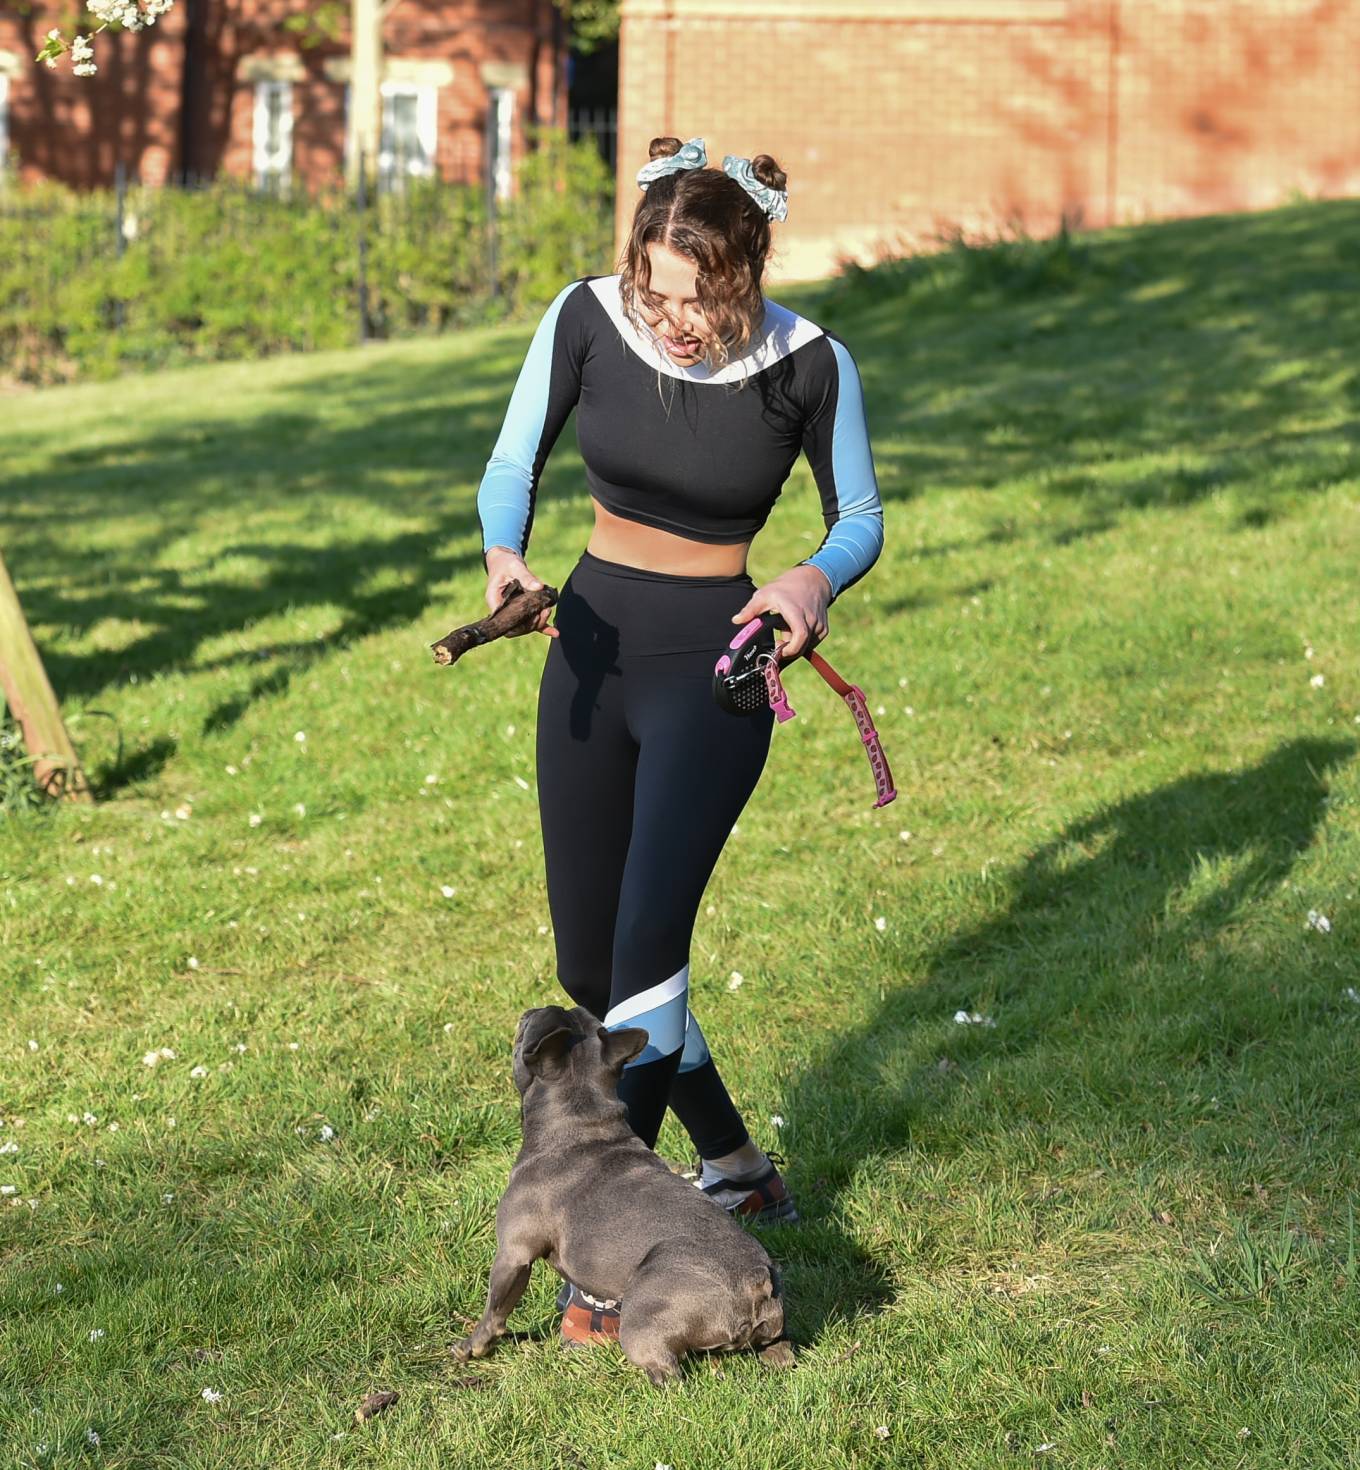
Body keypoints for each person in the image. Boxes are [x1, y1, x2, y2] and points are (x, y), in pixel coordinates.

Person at [475, 135, 885, 1345]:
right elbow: (514, 462)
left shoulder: (810, 364)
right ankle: (737, 1167)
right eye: (654, 290)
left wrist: (808, 585)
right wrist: (508, 554)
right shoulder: (585, 317)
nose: (671, 320)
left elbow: (856, 514)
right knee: (593, 973)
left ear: (746, 272)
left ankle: (609, 1252)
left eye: (698, 299)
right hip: (591, 655)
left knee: (650, 947)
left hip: (717, 672)